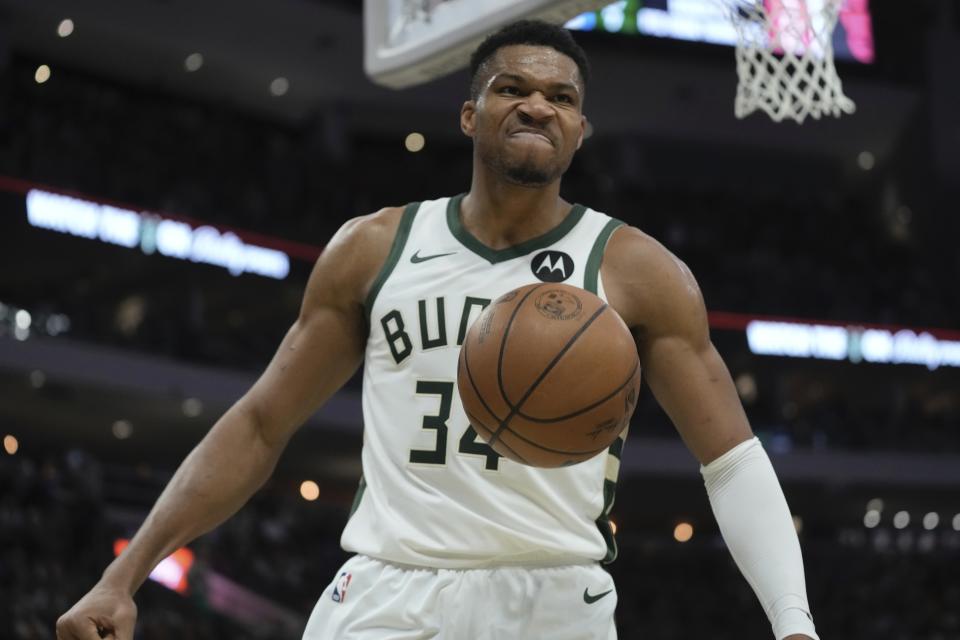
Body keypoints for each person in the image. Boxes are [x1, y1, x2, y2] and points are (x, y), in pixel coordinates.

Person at [57, 20, 819, 640]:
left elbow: (732, 461)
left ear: (581, 130)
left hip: (551, 598)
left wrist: (794, 626)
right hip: (386, 589)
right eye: (510, 88)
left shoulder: (637, 270)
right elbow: (260, 424)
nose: (535, 105)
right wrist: (121, 577)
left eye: (560, 96)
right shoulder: (374, 248)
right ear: (469, 114)